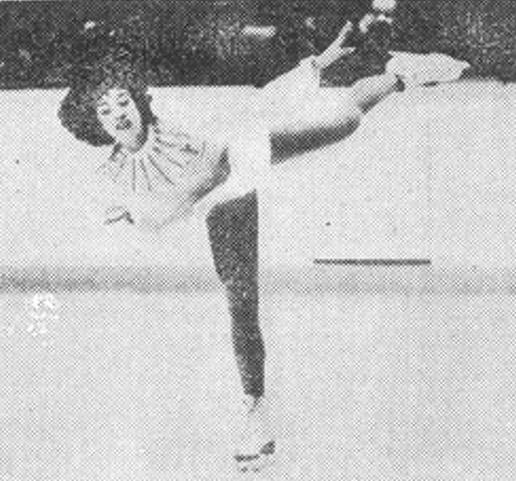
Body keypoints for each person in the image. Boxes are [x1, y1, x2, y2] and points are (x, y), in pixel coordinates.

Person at [58, 7, 469, 473]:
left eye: (122, 102)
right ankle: (256, 412)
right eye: (105, 110)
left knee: (347, 120)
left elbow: (242, 128)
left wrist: (321, 63)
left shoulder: (176, 120)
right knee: (241, 307)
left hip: (242, 158)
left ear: (137, 100)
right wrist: (142, 215)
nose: (118, 114)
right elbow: (147, 217)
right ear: (93, 123)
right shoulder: (112, 172)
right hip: (218, 201)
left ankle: (400, 76)